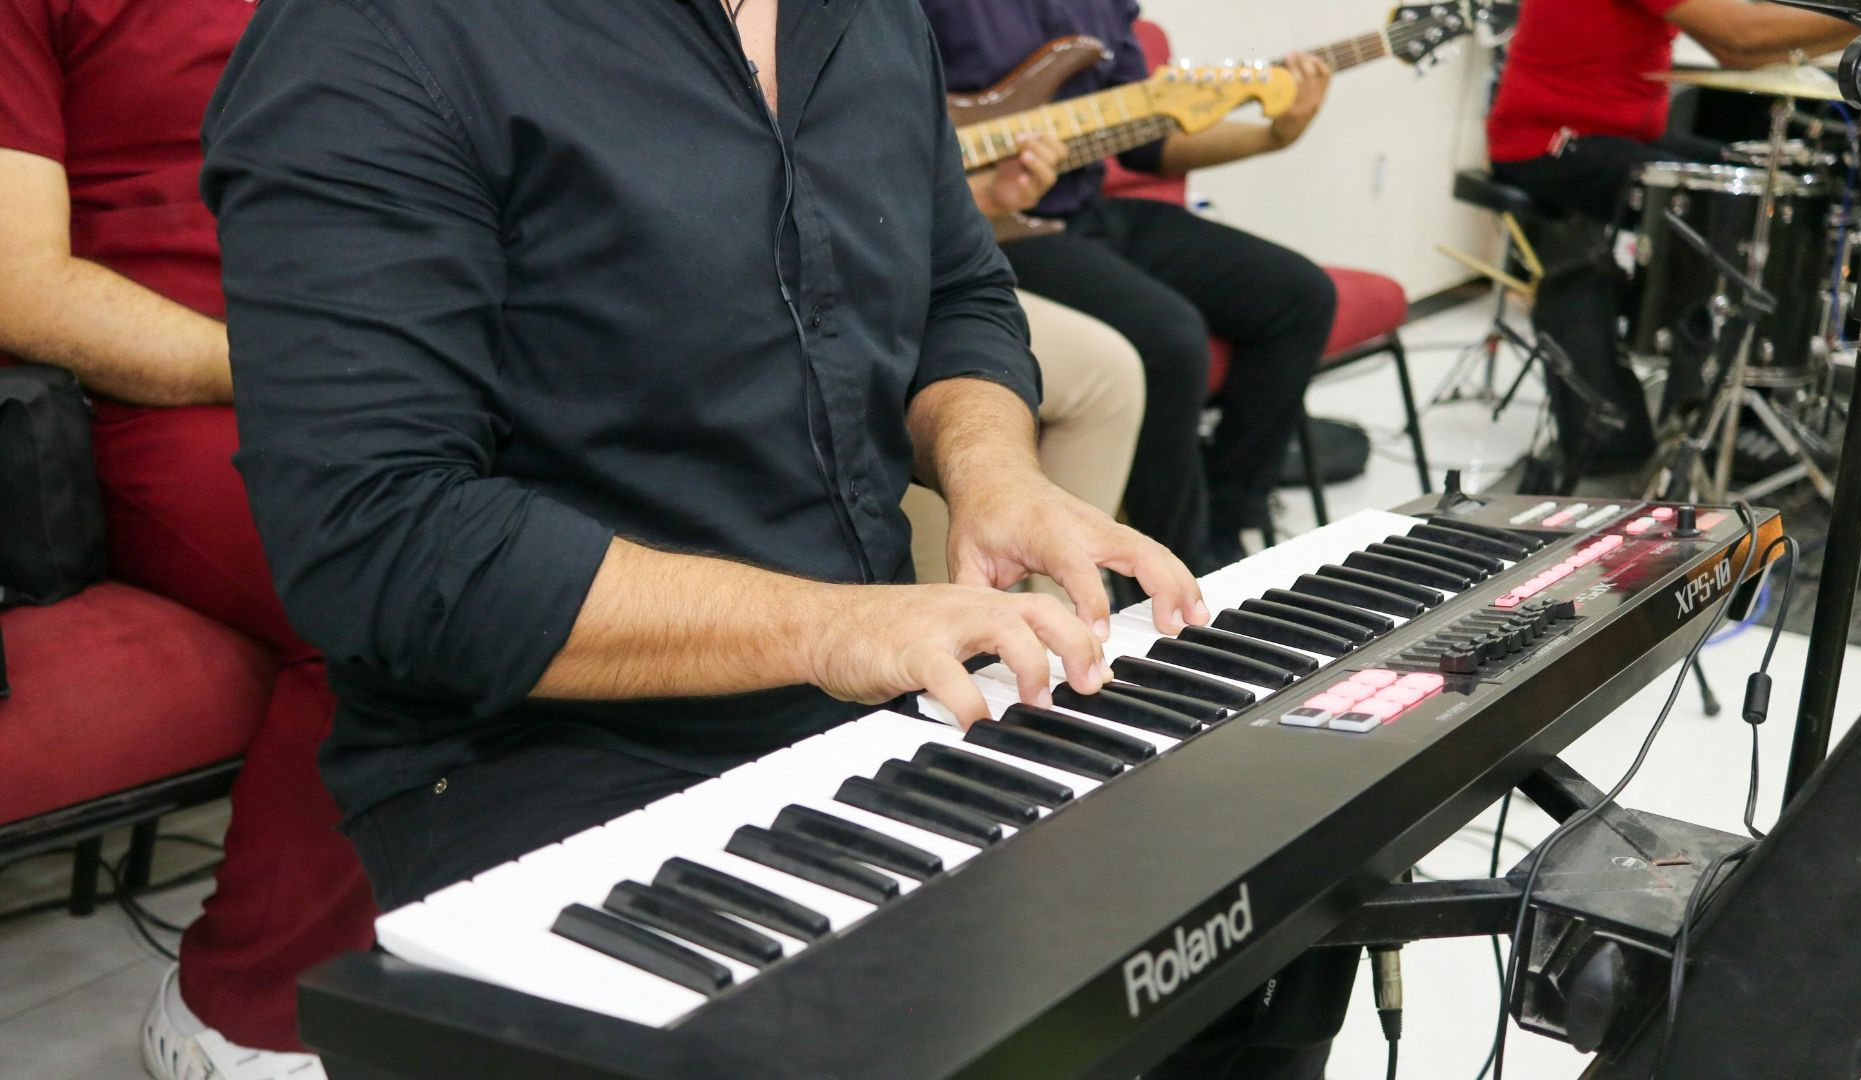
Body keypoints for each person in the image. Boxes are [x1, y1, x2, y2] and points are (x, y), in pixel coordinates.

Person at [202, 0, 1202, 933]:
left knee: (1227, 937)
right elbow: (381, 539)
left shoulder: (868, 16)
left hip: (859, 705)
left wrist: (993, 473)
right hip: (546, 765)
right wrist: (829, 625)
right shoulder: (372, 37)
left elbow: (957, 293)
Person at [0, 1, 380, 1078]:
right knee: (400, 590)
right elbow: (17, 285)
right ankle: (235, 1014)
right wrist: (301, 378)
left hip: (391, 370)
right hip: (172, 397)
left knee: (659, 517)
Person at [920, 0, 1339, 576]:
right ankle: (1175, 565)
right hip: (988, 226)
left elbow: (1146, 139)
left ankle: (1226, 522)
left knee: (1298, 295)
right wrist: (978, 186)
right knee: (1169, 336)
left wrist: (1273, 137)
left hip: (1083, 208)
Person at [1487, 0, 1858, 470]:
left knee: (1764, 180)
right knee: (1730, 206)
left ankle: (1733, 407)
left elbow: (1735, 54)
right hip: (1549, 140)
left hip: (1613, 133)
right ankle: (1703, 418)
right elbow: (1741, 35)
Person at [906, 132, 1147, 594]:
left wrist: (979, 197)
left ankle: (1069, 622)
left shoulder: (890, 60)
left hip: (914, 262)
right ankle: (953, 621)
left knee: (1107, 370)